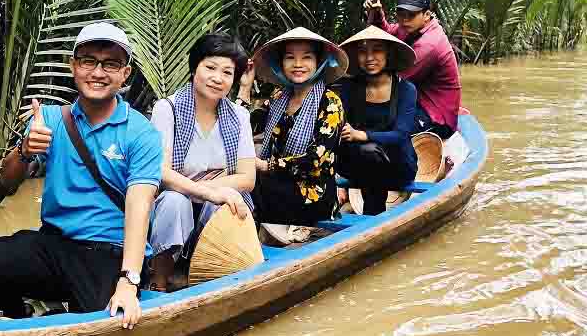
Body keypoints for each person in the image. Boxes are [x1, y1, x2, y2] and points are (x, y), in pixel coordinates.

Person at [0, 22, 161, 328]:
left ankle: (69, 306)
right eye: (88, 61)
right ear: (74, 66)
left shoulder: (141, 132)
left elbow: (139, 206)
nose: (98, 72)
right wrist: (24, 150)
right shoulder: (48, 120)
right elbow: (7, 186)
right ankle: (17, 317)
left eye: (111, 64)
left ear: (125, 74)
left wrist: (129, 280)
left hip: (110, 252)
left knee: (103, 322)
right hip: (54, 245)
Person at [146, 33, 256, 291]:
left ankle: (211, 278)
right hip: (172, 203)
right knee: (175, 202)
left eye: (227, 73)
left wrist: (210, 188)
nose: (218, 78)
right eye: (210, 67)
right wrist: (204, 190)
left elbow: (247, 178)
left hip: (212, 204)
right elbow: (160, 172)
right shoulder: (167, 109)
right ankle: (158, 280)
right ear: (195, 66)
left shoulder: (239, 116)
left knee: (228, 200)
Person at [237, 27, 346, 226]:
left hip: (313, 194)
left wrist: (265, 165)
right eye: (289, 58)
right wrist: (245, 88)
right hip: (275, 185)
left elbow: (315, 160)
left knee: (253, 180)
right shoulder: (279, 98)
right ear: (281, 63)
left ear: (318, 62)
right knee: (238, 178)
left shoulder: (330, 102)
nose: (298, 65)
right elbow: (239, 129)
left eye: (306, 58)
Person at [333, 26, 418, 215]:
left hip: (397, 165)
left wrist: (362, 135)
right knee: (366, 154)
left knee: (369, 151)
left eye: (377, 50)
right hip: (358, 162)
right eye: (363, 51)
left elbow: (400, 135)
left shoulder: (406, 90)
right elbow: (339, 126)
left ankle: (373, 216)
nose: (369, 57)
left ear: (389, 54)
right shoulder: (349, 87)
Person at [365, 0, 462, 138]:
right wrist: (377, 12)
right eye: (401, 14)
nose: (404, 20)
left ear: (427, 15)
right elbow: (387, 32)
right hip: (417, 100)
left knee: (382, 128)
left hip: (436, 117)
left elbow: (395, 80)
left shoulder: (431, 44)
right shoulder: (412, 27)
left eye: (411, 15)